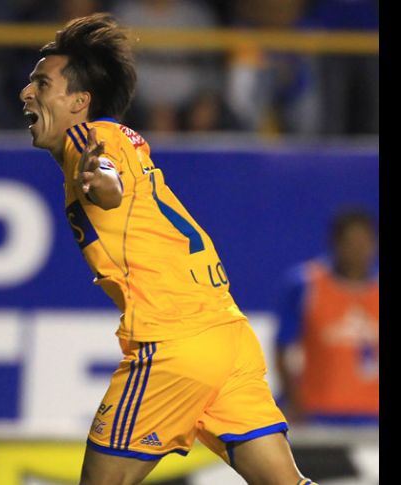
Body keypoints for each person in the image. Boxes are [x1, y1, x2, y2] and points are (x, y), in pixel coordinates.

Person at [19, 13, 317, 485]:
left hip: (173, 342)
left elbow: (107, 178)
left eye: (41, 83)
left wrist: (102, 181)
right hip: (227, 336)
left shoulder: (88, 140)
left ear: (79, 101)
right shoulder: (117, 139)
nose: (26, 93)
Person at [275, 209, 379, 425]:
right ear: (335, 244)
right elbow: (282, 348)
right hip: (318, 414)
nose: (358, 251)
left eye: (364, 243)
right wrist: (294, 403)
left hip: (373, 415)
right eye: (351, 243)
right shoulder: (305, 284)